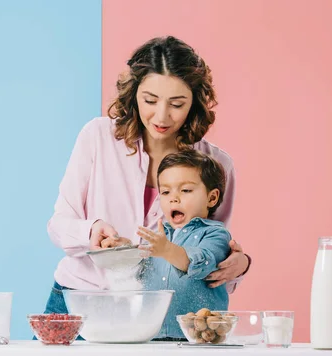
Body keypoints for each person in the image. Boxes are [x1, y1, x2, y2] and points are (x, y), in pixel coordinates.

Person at [44, 35, 251, 315]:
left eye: (177, 104)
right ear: (134, 93)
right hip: (79, 299)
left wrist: (239, 266)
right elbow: (59, 224)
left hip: (155, 314)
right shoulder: (98, 137)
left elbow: (211, 248)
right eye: (150, 100)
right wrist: (91, 230)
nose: (161, 116)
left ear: (195, 102)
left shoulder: (216, 163)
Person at [136, 149, 231, 340]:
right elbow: (135, 274)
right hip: (150, 337)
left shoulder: (215, 234)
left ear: (211, 198)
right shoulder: (158, 238)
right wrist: (122, 250)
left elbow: (201, 264)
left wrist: (167, 251)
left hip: (199, 338)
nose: (173, 198)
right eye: (165, 191)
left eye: (186, 190)